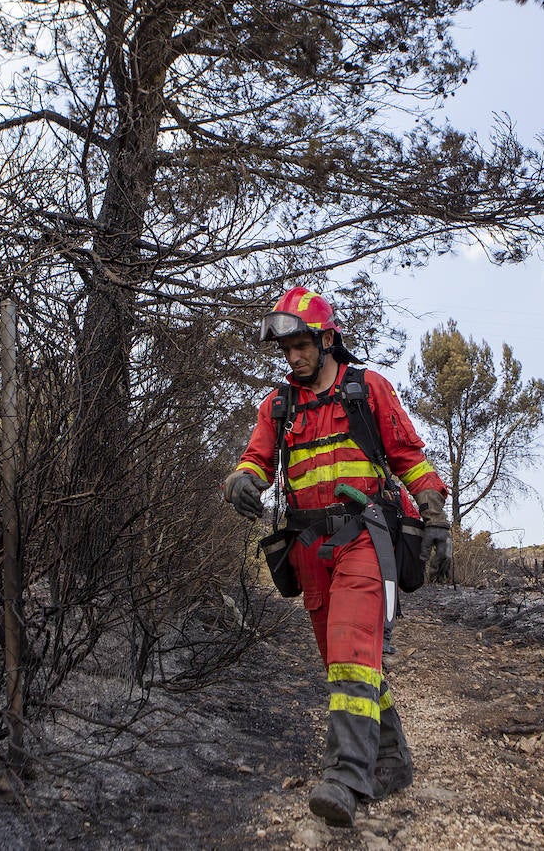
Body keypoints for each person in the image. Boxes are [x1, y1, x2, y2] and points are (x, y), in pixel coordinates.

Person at [222, 287, 449, 828]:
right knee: (345, 662)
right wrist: (241, 481)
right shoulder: (278, 406)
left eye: (301, 345)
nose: (294, 357)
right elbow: (256, 459)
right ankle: (391, 759)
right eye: (287, 350)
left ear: (326, 340)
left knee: (351, 651)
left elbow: (409, 457)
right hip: (307, 550)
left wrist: (434, 512)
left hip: (364, 539)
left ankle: (346, 776)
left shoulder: (367, 389)